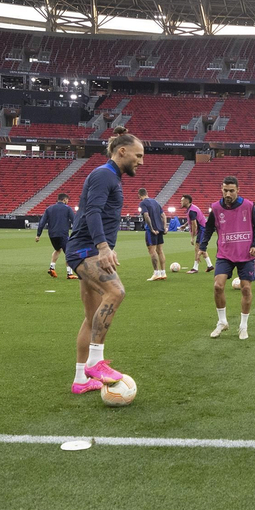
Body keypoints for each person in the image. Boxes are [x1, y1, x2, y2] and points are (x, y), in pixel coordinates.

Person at [64, 128, 144, 394]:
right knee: (116, 291)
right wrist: (103, 247)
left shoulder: (110, 176)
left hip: (86, 249)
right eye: (138, 155)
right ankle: (96, 363)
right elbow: (93, 211)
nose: (140, 161)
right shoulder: (103, 175)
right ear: (122, 151)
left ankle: (80, 380)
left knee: (91, 317)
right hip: (86, 250)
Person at [208, 176, 255, 340]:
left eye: (231, 190)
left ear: (238, 190)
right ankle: (222, 322)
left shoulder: (248, 205)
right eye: (225, 190)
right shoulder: (216, 208)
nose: (228, 193)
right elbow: (209, 227)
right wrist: (202, 246)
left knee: (246, 289)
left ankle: (243, 326)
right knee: (218, 286)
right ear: (221, 189)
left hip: (246, 254)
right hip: (224, 254)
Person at [36, 192, 75, 279]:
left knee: (57, 249)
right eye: (67, 200)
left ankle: (52, 268)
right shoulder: (67, 208)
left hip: (52, 234)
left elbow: (42, 222)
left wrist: (38, 235)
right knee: (69, 253)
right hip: (63, 234)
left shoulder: (49, 208)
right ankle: (69, 273)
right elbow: (74, 221)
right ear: (64, 200)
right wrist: (76, 232)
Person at [138, 188, 168, 281]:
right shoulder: (155, 202)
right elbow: (163, 216)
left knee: (152, 251)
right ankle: (163, 273)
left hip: (152, 230)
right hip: (160, 229)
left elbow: (146, 216)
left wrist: (151, 229)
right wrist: (164, 227)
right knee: (160, 250)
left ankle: (156, 273)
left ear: (140, 195)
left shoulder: (143, 203)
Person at [182, 194, 214, 274]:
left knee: (198, 247)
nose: (181, 202)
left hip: (202, 229)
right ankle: (210, 265)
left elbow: (195, 224)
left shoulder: (192, 211)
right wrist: (185, 225)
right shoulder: (192, 209)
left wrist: (192, 237)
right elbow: (193, 219)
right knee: (201, 248)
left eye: (182, 200)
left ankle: (195, 268)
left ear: (187, 201)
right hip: (203, 228)